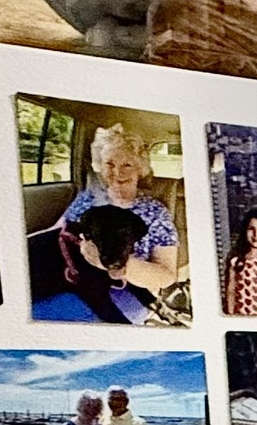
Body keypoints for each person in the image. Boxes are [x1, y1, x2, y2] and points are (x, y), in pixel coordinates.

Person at [55, 124, 180, 298]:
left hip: (128, 292)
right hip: (75, 279)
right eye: (109, 164)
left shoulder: (155, 212)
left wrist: (112, 263)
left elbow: (166, 277)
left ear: (140, 170)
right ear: (101, 167)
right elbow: (57, 234)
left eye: (127, 165)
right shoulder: (88, 199)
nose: (117, 172)